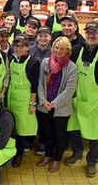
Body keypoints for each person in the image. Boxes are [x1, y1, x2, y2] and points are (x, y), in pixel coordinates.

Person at [36, 36, 77, 172]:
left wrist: (54, 104)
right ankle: (48, 155)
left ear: (67, 51)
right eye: (57, 48)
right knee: (47, 133)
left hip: (61, 108)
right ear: (53, 48)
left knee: (60, 135)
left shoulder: (72, 67)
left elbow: (69, 90)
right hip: (45, 106)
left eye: (62, 49)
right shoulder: (45, 62)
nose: (59, 51)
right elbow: (40, 84)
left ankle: (57, 159)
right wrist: (43, 101)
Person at [66, 21, 98, 177]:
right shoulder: (77, 50)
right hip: (77, 98)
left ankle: (92, 161)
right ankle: (77, 153)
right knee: (75, 129)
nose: (91, 35)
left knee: (95, 134)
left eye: (94, 32)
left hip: (95, 102)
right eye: (89, 32)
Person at [7, 33, 39, 167]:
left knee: (21, 129)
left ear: (27, 47)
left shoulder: (32, 62)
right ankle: (10, 152)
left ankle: (19, 154)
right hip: (12, 97)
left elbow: (34, 86)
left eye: (21, 46)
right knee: (12, 128)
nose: (18, 49)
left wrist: (32, 104)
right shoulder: (12, 59)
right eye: (16, 46)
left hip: (25, 99)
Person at [29, 26, 52, 155]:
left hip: (47, 90)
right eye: (40, 35)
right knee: (31, 115)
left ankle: (42, 142)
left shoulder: (54, 52)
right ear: (36, 37)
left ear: (50, 37)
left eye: (46, 36)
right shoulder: (30, 50)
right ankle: (30, 139)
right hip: (31, 88)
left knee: (44, 118)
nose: (43, 38)